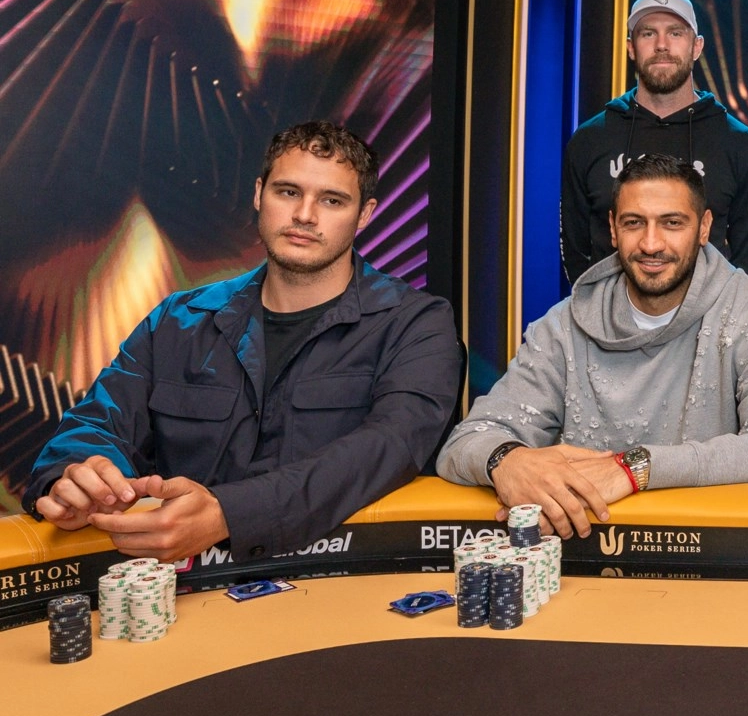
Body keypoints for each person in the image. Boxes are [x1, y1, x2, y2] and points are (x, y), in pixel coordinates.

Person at [27, 123, 462, 562]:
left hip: (341, 587)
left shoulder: (417, 324)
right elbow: (97, 424)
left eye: (332, 200)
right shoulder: (178, 320)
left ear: (364, 214)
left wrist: (228, 515)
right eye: (288, 192)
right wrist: (77, 475)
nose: (305, 215)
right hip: (183, 593)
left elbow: (389, 447)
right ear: (259, 194)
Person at [439, 155, 748, 535]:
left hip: (710, 552)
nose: (651, 244)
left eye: (672, 223)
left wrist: (634, 468)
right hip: (584, 549)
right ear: (614, 230)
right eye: (634, 223)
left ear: (704, 228)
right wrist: (508, 461)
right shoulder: (564, 326)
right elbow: (465, 442)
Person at [562, 0, 748, 284]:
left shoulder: (737, 142)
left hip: (708, 325)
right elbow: (574, 247)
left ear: (696, 47)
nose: (661, 45)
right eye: (648, 34)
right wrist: (597, 317)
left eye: (675, 33)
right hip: (610, 326)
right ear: (631, 48)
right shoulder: (590, 139)